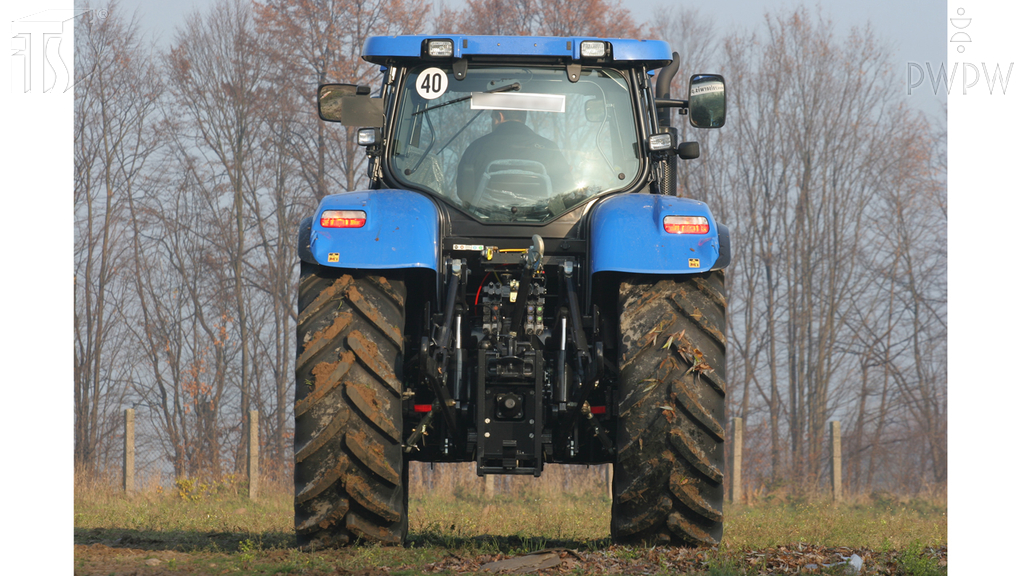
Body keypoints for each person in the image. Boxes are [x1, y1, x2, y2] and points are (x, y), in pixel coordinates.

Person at [456, 110, 573, 206]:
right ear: (523, 118)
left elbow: (464, 193)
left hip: (483, 227)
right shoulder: (549, 148)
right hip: (543, 228)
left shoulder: (476, 148)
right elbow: (565, 191)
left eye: (492, 117)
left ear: (499, 116)